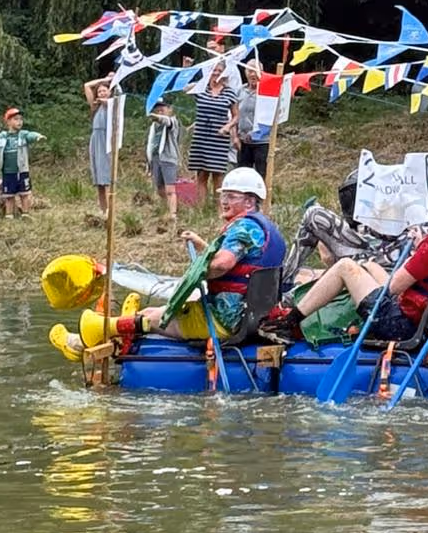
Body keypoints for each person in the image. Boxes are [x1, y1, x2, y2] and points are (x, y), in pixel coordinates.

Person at [120, 168, 285, 344]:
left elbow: (222, 265)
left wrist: (198, 272)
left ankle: (108, 329)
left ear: (249, 202)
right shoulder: (261, 227)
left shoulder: (243, 229)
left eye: (231, 196)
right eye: (224, 196)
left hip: (226, 318)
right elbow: (237, 263)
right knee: (153, 310)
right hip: (251, 315)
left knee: (149, 317)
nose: (224, 201)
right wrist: (202, 245)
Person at [262, 219, 428, 347]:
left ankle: (289, 321)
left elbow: (393, 288)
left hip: (401, 324)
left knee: (344, 266)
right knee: (371, 266)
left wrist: (416, 253)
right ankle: (299, 313)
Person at [281, 167, 405, 286]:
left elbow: (329, 259)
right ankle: (283, 281)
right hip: (359, 261)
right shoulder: (364, 225)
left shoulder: (406, 225)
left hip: (378, 273)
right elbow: (329, 258)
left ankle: (287, 289)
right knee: (314, 215)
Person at [188, 62, 238, 207]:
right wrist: (187, 69)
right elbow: (183, 88)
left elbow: (236, 116)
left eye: (219, 70)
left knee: (218, 175)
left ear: (224, 73)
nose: (216, 73)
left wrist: (228, 126)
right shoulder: (201, 88)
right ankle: (201, 208)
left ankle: (219, 210)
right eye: (213, 70)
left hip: (219, 139)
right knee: (201, 174)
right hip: (201, 137)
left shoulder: (230, 92)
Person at [0, 108, 46, 217]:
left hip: (22, 170)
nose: (19, 122)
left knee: (24, 194)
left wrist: (38, 136)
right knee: (9, 195)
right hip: (7, 172)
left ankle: (26, 214)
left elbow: (30, 135)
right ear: (8, 122)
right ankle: (9, 215)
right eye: (16, 119)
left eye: (21, 119)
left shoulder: (23, 135)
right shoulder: (2, 136)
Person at [146, 98, 182, 230]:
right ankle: (164, 209)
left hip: (169, 158)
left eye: (163, 108)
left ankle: (173, 214)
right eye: (157, 108)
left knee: (170, 189)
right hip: (155, 158)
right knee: (159, 188)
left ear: (169, 109)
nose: (160, 110)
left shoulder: (173, 122)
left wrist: (156, 117)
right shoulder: (154, 126)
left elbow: (166, 121)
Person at [83, 78, 114, 212]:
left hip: (105, 141)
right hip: (95, 140)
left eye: (104, 90)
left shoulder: (113, 104)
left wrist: (112, 82)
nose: (101, 93)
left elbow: (111, 102)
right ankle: (103, 210)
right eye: (99, 91)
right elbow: (87, 86)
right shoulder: (96, 107)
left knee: (106, 177)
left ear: (110, 92)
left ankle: (110, 210)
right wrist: (105, 79)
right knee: (98, 180)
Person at [235, 62, 271, 177]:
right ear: (245, 73)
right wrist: (234, 136)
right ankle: (244, 195)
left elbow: (270, 115)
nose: (253, 74)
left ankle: (260, 195)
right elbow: (234, 114)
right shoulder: (240, 90)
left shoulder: (267, 91)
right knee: (243, 174)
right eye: (250, 71)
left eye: (256, 70)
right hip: (243, 140)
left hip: (262, 141)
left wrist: (255, 133)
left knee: (260, 174)